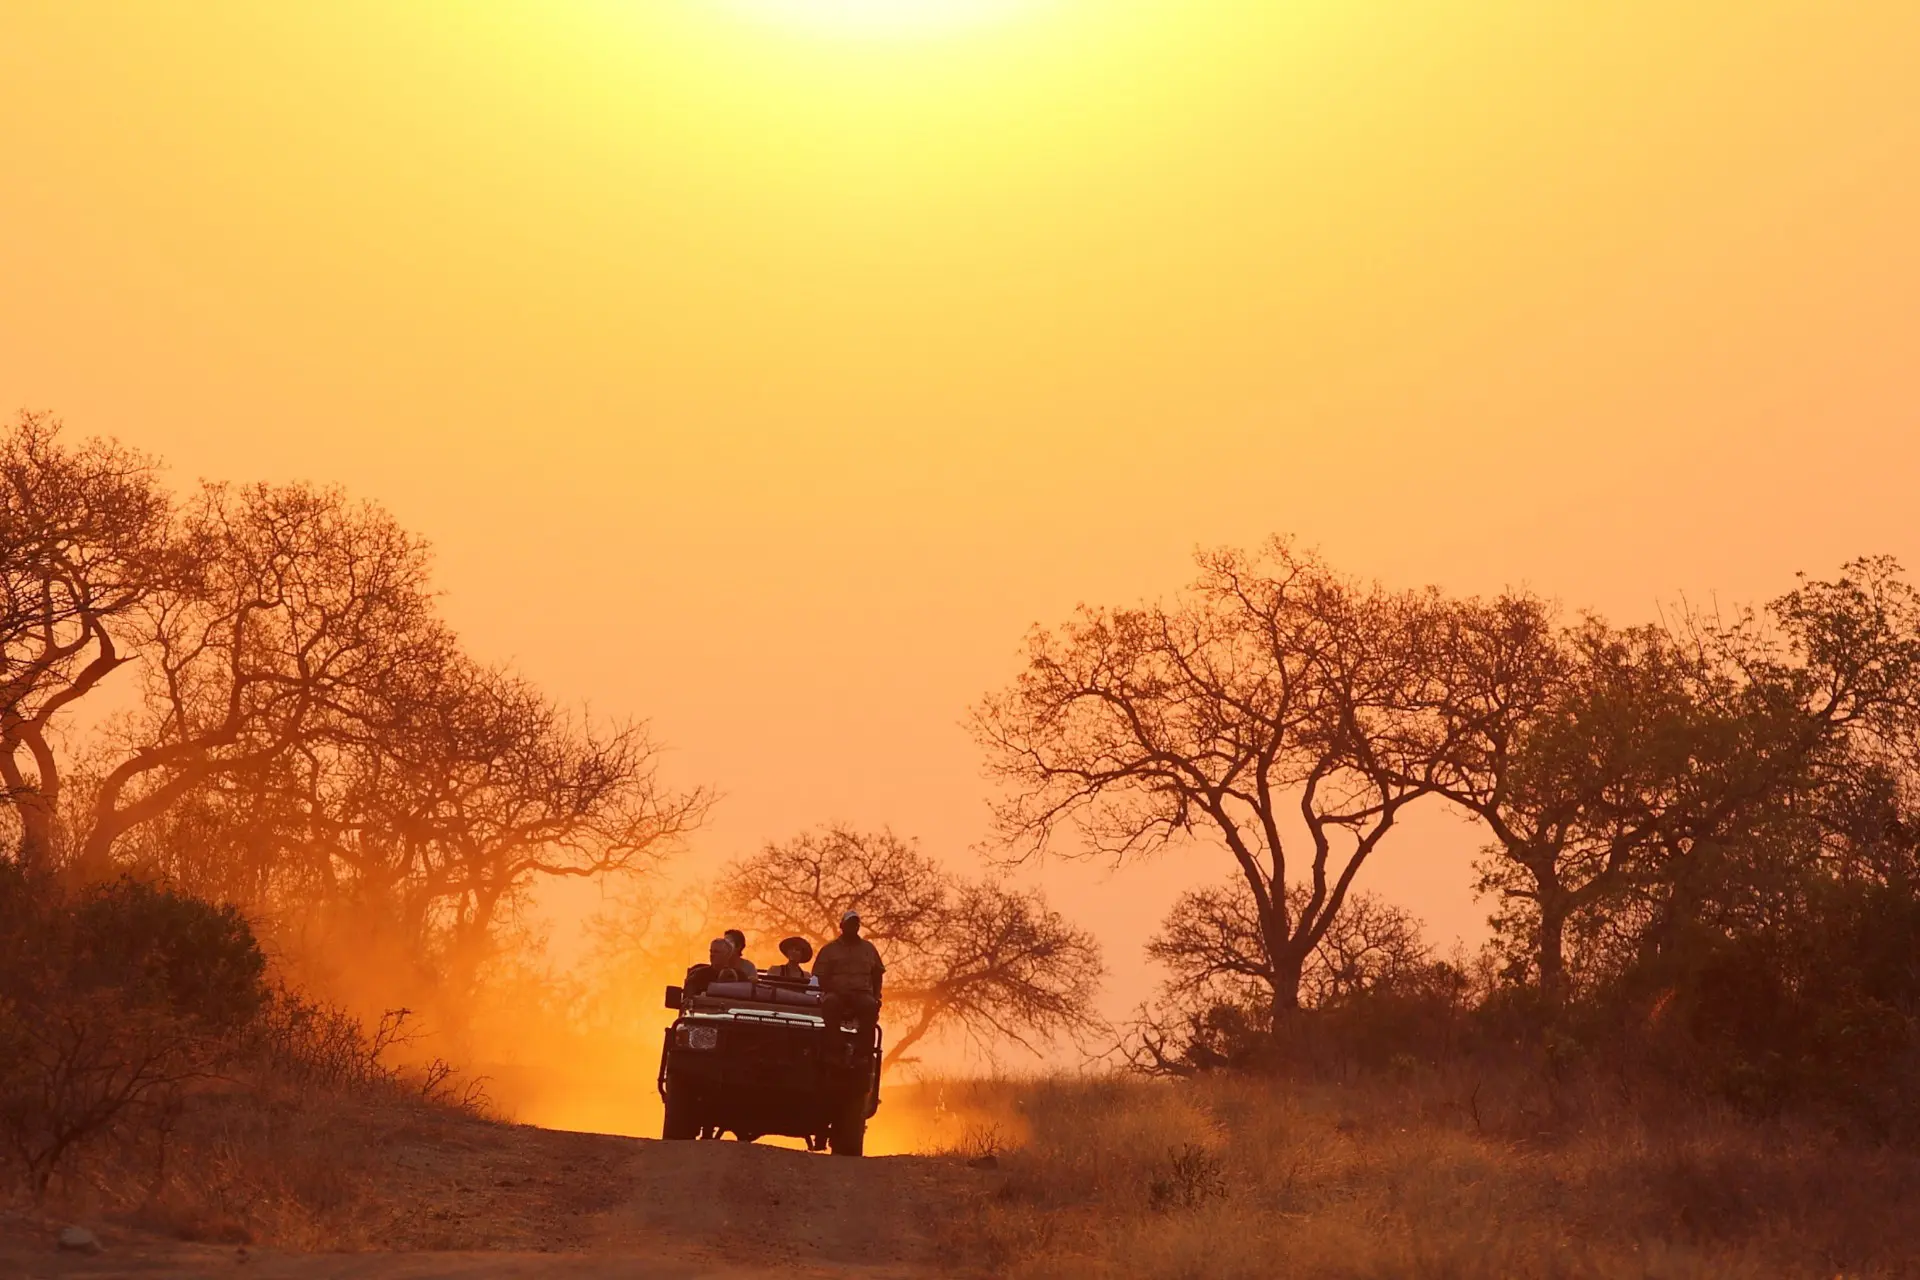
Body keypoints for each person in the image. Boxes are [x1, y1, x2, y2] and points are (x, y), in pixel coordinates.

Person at [813, 910, 884, 1035]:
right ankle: (833, 1047)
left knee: (870, 1007)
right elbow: (821, 976)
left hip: (862, 993)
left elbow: (877, 974)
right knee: (830, 1005)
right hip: (836, 993)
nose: (853, 927)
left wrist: (876, 996)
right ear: (842, 926)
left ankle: (864, 1052)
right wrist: (833, 989)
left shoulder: (869, 949)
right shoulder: (829, 949)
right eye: (849, 924)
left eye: (855, 924)